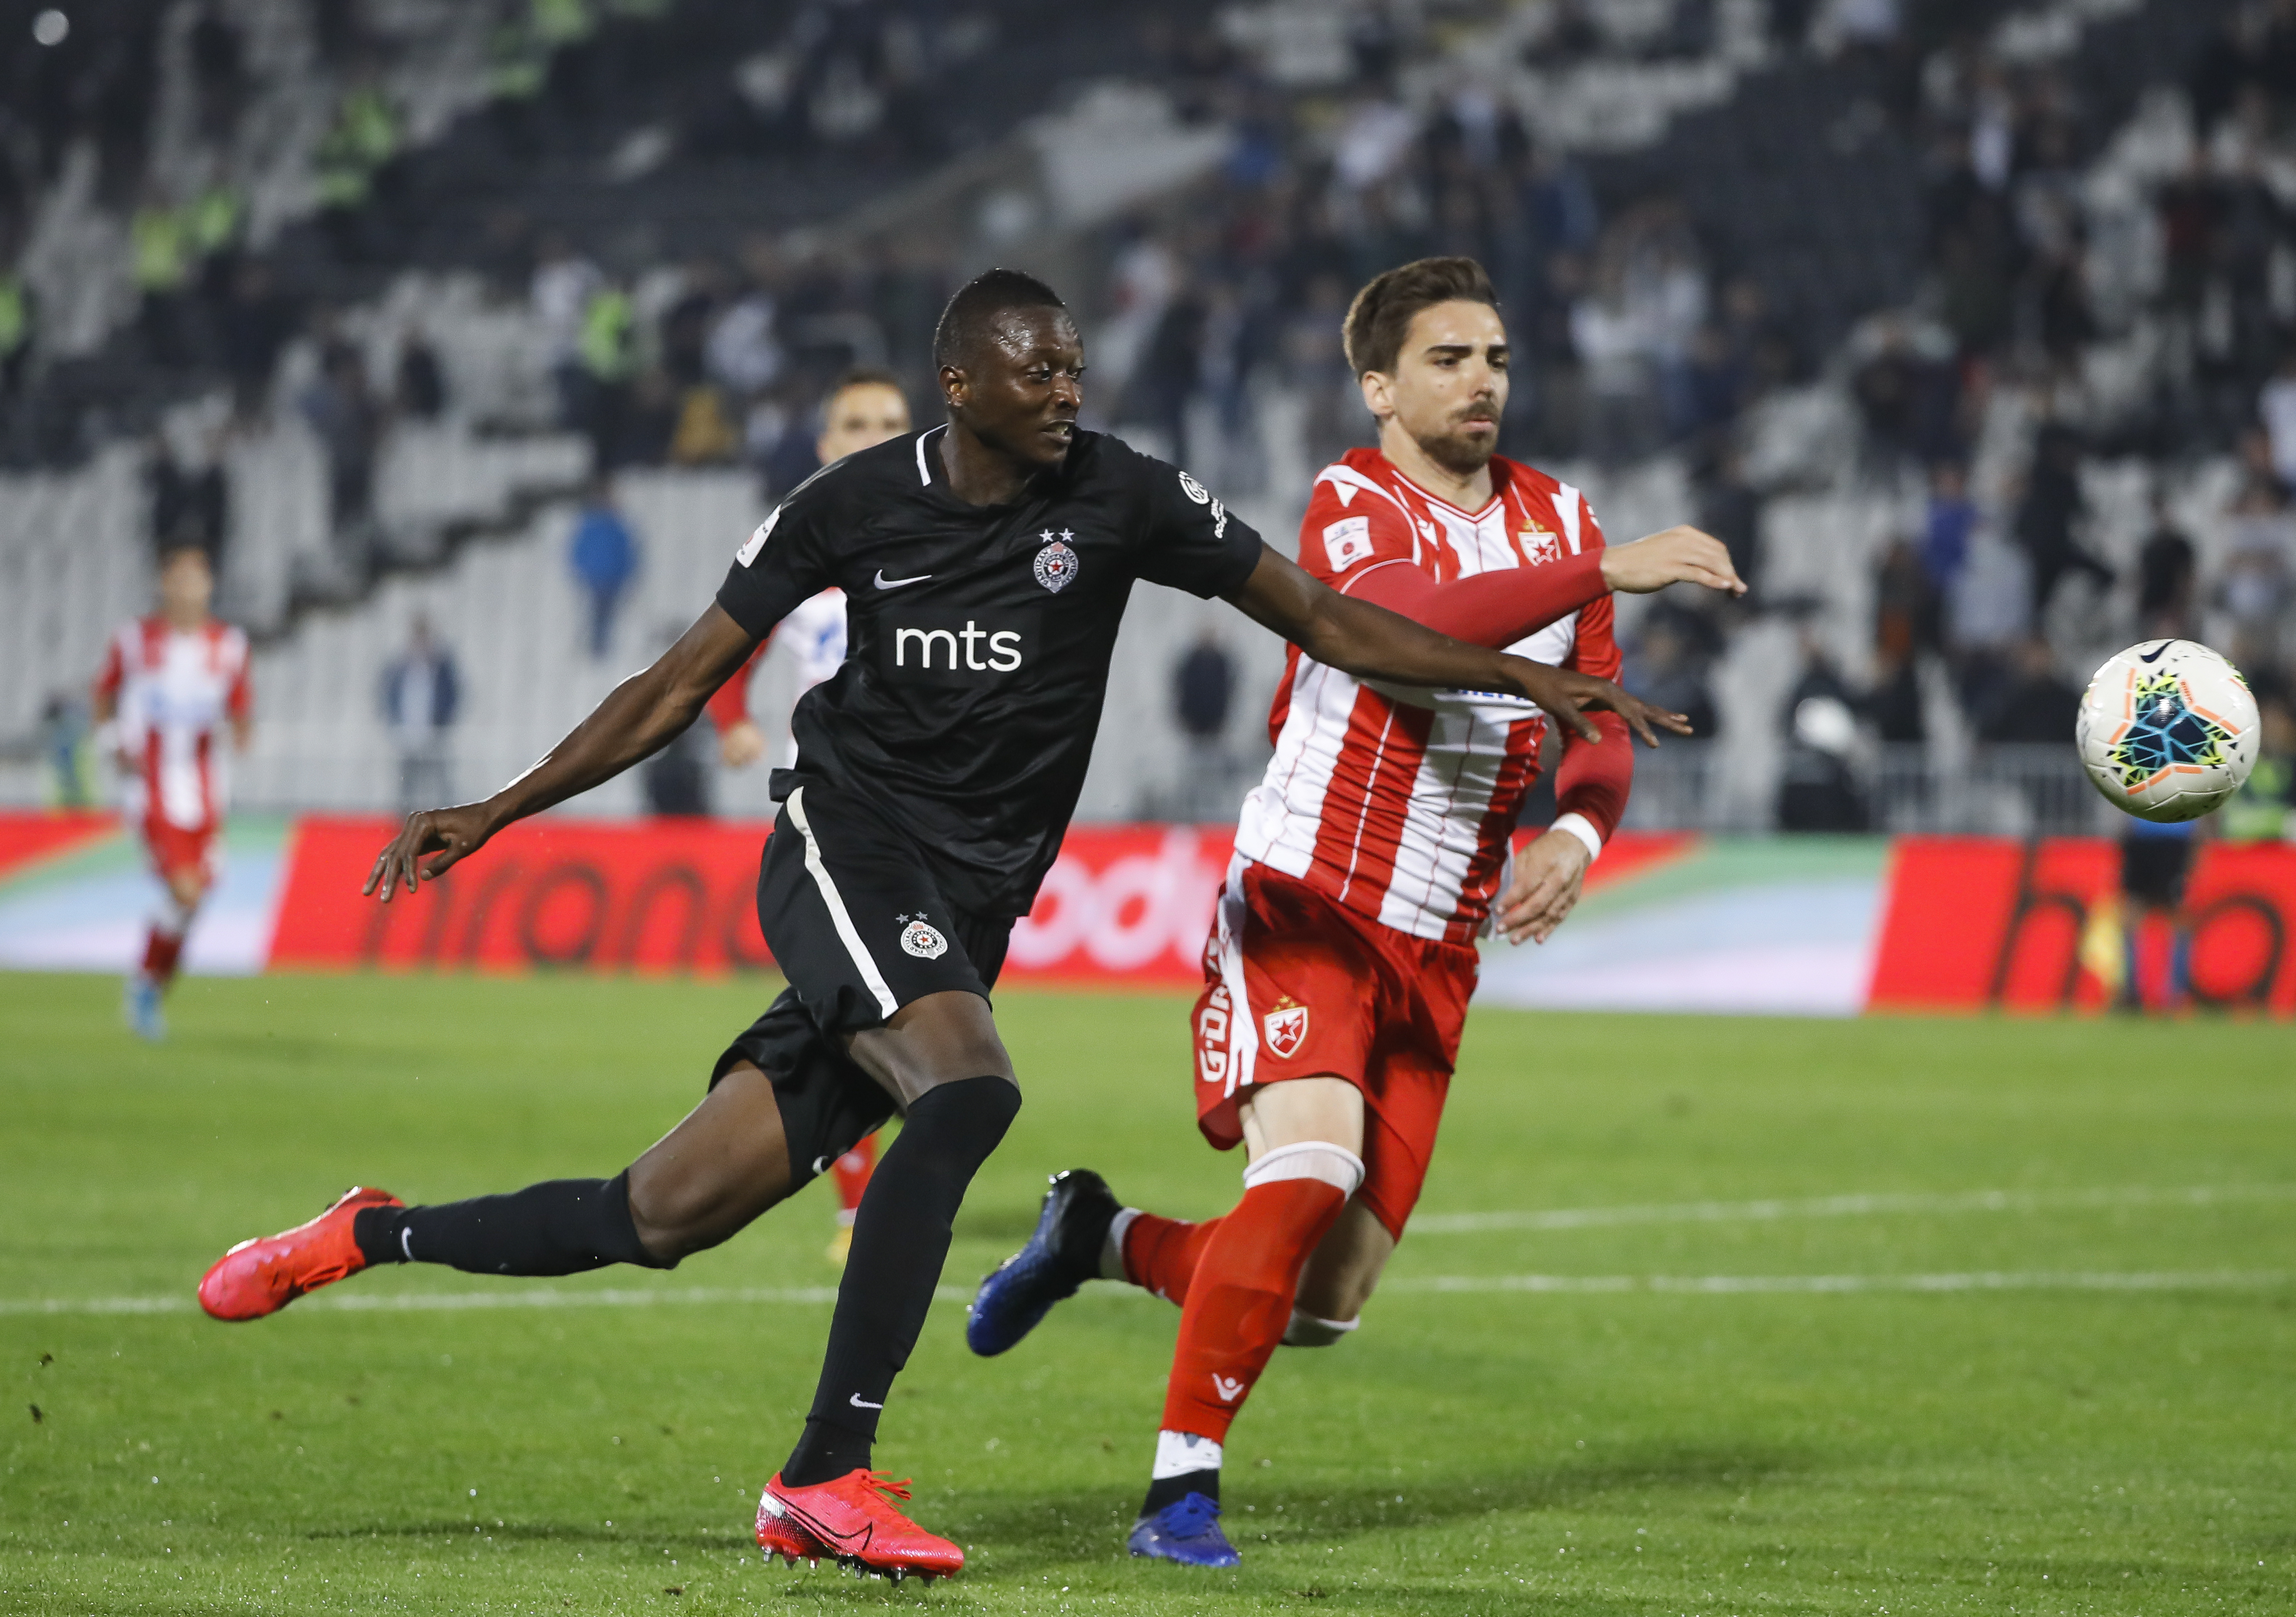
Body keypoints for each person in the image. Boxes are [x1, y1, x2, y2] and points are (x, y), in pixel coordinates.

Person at [193, 267, 1686, 1582]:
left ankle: (361, 1231)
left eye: (1076, 369)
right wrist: (502, 802)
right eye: (1037, 373)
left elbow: (1325, 619)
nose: (1067, 392)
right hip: (846, 843)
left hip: (963, 899)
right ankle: (822, 1477)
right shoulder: (850, 505)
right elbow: (670, 682)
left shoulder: (1120, 493)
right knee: (969, 1087)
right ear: (957, 383)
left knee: (653, 1214)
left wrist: (1525, 680)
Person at [962, 257, 1744, 1567]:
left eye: (1494, 355)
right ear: (1376, 383)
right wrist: (1600, 566)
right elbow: (1398, 618)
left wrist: (1575, 824)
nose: (1481, 378)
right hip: (1306, 897)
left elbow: (1597, 716)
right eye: (1448, 357)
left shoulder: (1557, 514)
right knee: (1307, 1172)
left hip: (1435, 946)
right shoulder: (1351, 500)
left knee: (1321, 1302)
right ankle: (1177, 1493)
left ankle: (1096, 1234)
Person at [708, 368, 914, 1263]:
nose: (875, 434)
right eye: (856, 421)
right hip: (827, 808)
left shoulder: (950, 544)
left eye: (893, 422)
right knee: (856, 1008)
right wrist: (736, 726)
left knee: (922, 1014)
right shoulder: (799, 549)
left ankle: (862, 1182)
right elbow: (726, 650)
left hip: (928, 815)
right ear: (827, 444)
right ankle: (861, 1207)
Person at [92, 544, 251, 1040]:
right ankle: (144, 988)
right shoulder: (135, 640)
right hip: (152, 789)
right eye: (179, 577)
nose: (188, 587)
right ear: (163, 583)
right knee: (185, 889)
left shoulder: (228, 645)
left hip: (206, 792)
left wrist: (240, 736)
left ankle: (148, 985)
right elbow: (104, 693)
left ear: (210, 585)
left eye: (197, 577)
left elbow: (242, 710)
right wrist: (111, 740)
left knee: (192, 900)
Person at [378, 616, 460, 812]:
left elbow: (453, 695)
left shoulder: (441, 667)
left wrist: (442, 722)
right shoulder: (400, 667)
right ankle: (404, 822)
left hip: (434, 735)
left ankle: (442, 820)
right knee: (407, 785)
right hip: (406, 737)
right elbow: (388, 696)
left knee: (438, 784)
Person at [568, 479, 640, 660]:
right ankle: (595, 646)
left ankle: (600, 646)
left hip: (613, 579)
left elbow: (628, 552)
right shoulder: (590, 524)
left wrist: (627, 574)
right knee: (596, 612)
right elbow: (579, 550)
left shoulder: (616, 525)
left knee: (605, 613)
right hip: (596, 579)